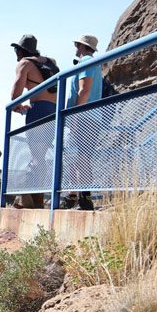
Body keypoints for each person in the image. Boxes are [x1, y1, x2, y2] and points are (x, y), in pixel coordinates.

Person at [9, 34, 59, 208]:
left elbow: (15, 96)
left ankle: (28, 199)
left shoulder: (25, 64)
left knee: (37, 157)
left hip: (37, 111)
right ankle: (35, 199)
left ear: (22, 50)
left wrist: (19, 107)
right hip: (54, 112)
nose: (16, 53)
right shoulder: (51, 62)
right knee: (40, 156)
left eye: (17, 49)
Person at [62, 34, 103, 210]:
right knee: (81, 157)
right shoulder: (92, 63)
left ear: (81, 46)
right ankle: (80, 197)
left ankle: (85, 200)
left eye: (77, 45)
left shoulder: (86, 61)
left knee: (82, 158)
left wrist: (76, 116)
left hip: (84, 117)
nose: (75, 48)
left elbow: (83, 91)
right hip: (91, 117)